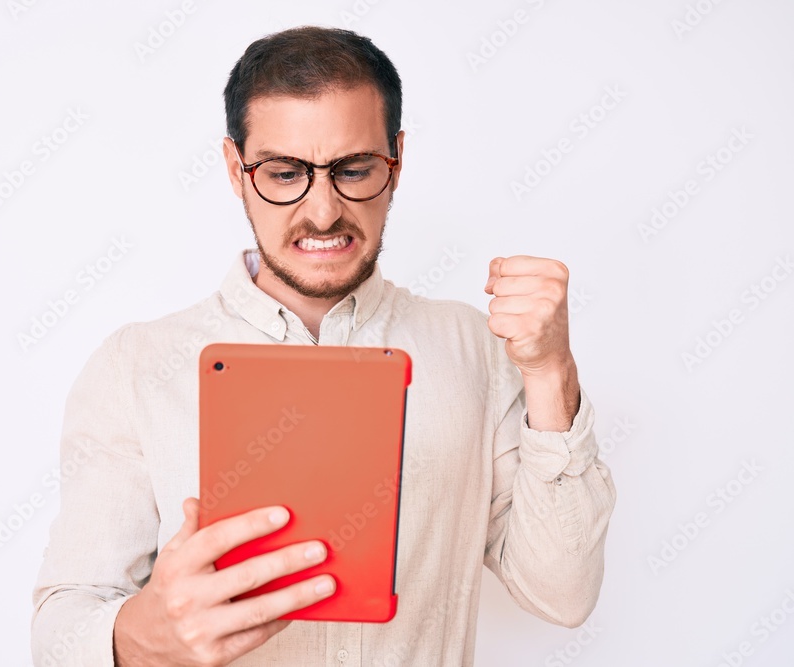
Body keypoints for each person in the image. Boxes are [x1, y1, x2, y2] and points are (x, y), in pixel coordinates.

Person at [31, 25, 616, 667]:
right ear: (234, 169)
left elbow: (562, 595)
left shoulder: (477, 350)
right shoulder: (135, 367)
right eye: (284, 174)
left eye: (353, 170)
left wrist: (550, 373)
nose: (322, 212)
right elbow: (59, 629)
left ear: (396, 160)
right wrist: (142, 635)